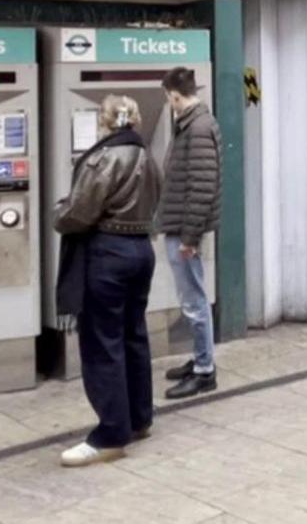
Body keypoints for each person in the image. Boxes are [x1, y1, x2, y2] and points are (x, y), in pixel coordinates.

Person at [53, 95, 161, 467]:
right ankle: (139, 418)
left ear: (103, 121)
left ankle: (111, 435)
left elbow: (77, 213)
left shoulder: (103, 157)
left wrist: (58, 212)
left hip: (107, 254)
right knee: (133, 336)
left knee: (102, 343)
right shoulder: (147, 155)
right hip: (141, 251)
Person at [158, 67, 223, 400]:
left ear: (175, 95)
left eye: (168, 97)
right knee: (191, 299)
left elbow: (201, 188)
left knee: (194, 301)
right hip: (181, 225)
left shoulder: (196, 128)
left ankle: (204, 371)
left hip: (185, 230)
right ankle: (200, 357)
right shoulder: (191, 124)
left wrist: (189, 238)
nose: (169, 103)